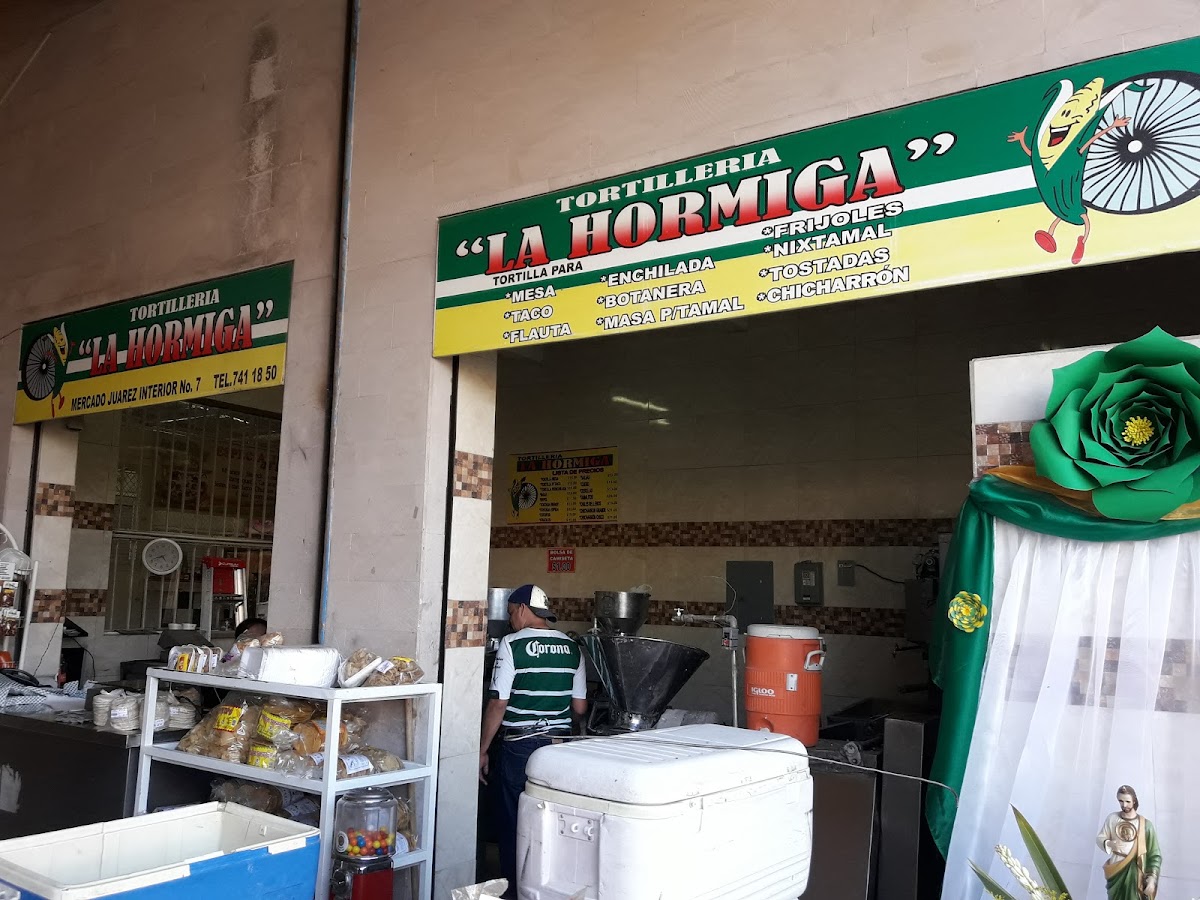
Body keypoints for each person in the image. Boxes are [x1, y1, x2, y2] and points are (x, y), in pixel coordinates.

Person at [479, 585, 586, 897]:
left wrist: (482, 750)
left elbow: (498, 703)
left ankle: (515, 892)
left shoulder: (512, 644)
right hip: (560, 748)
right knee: (551, 823)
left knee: (515, 822)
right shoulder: (572, 646)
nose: (511, 620)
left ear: (523, 609)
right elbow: (580, 707)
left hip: (519, 747)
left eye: (511, 613)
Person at [1097, 784, 1161, 899]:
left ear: (1134, 801)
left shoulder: (1145, 826)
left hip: (1135, 872)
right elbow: (1100, 838)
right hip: (1115, 868)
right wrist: (1109, 844)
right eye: (1121, 801)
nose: (1124, 805)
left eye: (1127, 801)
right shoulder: (1112, 818)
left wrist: (1152, 878)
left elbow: (1154, 855)